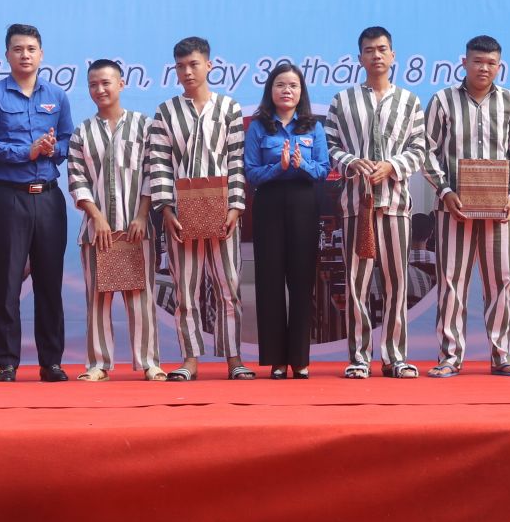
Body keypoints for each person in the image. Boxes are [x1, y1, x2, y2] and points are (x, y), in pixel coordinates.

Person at [0, 24, 75, 382]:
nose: (25, 55)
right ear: (7, 55)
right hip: (8, 197)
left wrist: (52, 149)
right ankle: (7, 362)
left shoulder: (57, 96)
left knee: (49, 281)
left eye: (31, 49)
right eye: (18, 49)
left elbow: (68, 140)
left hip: (48, 198)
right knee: (8, 281)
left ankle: (51, 362)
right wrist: (23, 152)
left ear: (41, 54)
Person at [423, 34, 510, 377]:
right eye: (477, 61)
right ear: (464, 62)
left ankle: (502, 355)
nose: (484, 68)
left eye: (491, 63)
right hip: (453, 208)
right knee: (451, 282)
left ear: (500, 66)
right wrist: (444, 191)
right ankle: (450, 357)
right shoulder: (442, 100)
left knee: (500, 281)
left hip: (500, 209)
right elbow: (426, 151)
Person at [146, 35, 252, 381]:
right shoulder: (165, 112)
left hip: (222, 208)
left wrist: (235, 207)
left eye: (193, 64)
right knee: (185, 290)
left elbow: (236, 160)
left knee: (229, 287)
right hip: (180, 211)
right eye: (180, 66)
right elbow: (159, 164)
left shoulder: (229, 108)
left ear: (209, 65)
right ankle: (190, 359)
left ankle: (234, 358)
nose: (187, 72)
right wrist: (166, 210)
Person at [325, 25, 427, 379]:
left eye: (382, 49)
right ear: (360, 58)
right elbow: (330, 147)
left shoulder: (410, 101)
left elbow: (420, 148)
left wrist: (392, 166)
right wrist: (352, 162)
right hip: (357, 206)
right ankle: (359, 357)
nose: (376, 55)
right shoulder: (342, 100)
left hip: (396, 205)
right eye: (369, 50)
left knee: (397, 282)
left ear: (393, 55)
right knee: (357, 284)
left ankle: (395, 356)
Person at [66, 59, 165, 382]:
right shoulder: (82, 133)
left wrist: (142, 216)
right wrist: (96, 217)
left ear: (121, 84)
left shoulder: (144, 126)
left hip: (136, 230)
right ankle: (98, 364)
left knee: (141, 297)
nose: (100, 89)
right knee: (98, 298)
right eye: (93, 84)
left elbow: (153, 173)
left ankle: (149, 362)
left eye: (106, 83)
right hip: (97, 233)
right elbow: (77, 180)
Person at [246, 62, 330, 379]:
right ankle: (276, 360)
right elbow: (251, 172)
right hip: (268, 203)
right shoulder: (259, 127)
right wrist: (278, 168)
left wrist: (301, 164)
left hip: (303, 203)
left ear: (301, 92)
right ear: (271, 90)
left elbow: (323, 170)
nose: (286, 90)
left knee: (301, 280)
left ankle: (300, 359)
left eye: (293, 85)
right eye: (280, 84)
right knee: (269, 280)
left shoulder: (313, 127)